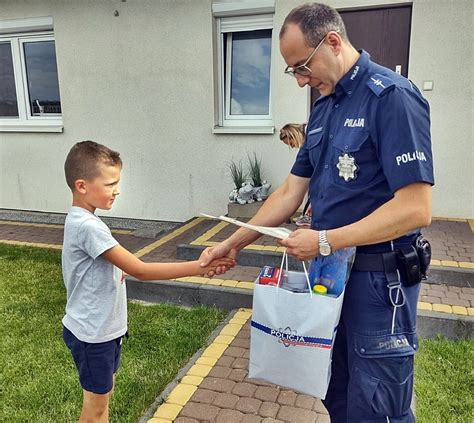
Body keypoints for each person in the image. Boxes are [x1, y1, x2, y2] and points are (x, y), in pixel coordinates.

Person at [201, 3, 433, 422]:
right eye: (294, 72)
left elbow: (416, 208)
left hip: (380, 282)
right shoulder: (323, 107)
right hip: (331, 276)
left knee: (377, 405)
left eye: (302, 67)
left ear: (333, 41)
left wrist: (325, 239)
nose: (301, 80)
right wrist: (232, 243)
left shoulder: (392, 97)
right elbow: (291, 191)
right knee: (336, 391)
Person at [62, 141, 234, 422]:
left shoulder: (83, 221)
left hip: (100, 331)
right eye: (110, 183)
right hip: (93, 335)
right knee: (95, 409)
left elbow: (123, 269)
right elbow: (140, 270)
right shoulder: (88, 227)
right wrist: (200, 267)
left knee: (101, 401)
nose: (117, 189)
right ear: (82, 186)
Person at [280, 123, 312, 227]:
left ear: (292, 136)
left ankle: (309, 215)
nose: (292, 146)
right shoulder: (308, 137)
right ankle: (306, 214)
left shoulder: (310, 137)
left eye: (290, 143)